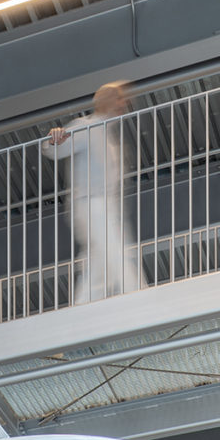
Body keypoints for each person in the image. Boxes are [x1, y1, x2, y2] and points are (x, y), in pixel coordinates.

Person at [45, 82, 139, 303]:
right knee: (115, 251)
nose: (123, 104)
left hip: (106, 207)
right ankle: (136, 294)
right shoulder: (86, 126)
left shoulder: (110, 139)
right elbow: (55, 150)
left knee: (98, 260)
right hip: (91, 203)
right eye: (119, 98)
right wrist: (54, 139)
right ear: (106, 100)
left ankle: (83, 305)